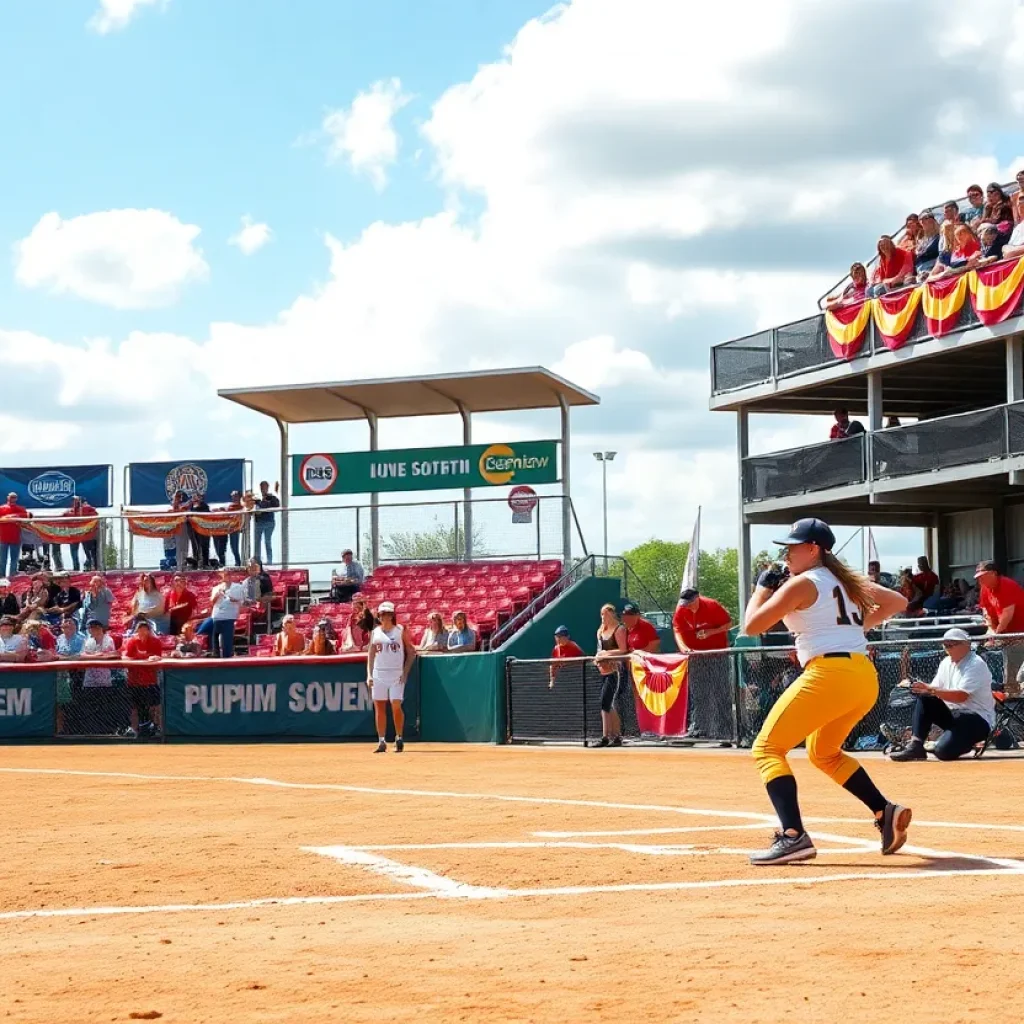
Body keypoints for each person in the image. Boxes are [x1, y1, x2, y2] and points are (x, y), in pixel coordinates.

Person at [742, 517, 911, 865]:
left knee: (767, 748)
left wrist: (762, 587)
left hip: (829, 673)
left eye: (793, 547)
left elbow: (751, 625)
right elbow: (896, 601)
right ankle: (884, 811)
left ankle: (793, 836)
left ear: (813, 548)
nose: (787, 554)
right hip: (862, 675)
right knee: (824, 752)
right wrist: (852, 628)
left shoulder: (802, 583)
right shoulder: (845, 581)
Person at [890, 628, 995, 762]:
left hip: (977, 719)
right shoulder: (945, 662)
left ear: (966, 645)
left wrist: (930, 689)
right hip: (954, 715)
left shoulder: (975, 664)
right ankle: (916, 745)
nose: (947, 648)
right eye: (945, 645)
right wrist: (919, 687)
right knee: (926, 698)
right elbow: (934, 689)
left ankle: (964, 744)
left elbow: (961, 696)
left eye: (951, 644)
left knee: (942, 752)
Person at [673, 587, 734, 741]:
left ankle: (724, 730)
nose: (688, 606)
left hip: (717, 655)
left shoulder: (712, 605)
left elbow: (728, 624)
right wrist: (684, 648)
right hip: (696, 657)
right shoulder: (681, 610)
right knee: (699, 693)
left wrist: (710, 633)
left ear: (698, 598)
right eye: (685, 603)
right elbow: (677, 630)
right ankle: (700, 728)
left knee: (721, 691)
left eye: (691, 603)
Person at [367, 601, 417, 753]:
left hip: (396, 673)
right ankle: (381, 740)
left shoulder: (400, 631)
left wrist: (405, 671)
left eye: (388, 614)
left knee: (396, 705)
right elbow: (371, 654)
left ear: (392, 615)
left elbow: (411, 652)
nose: (385, 617)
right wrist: (369, 674)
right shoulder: (375, 632)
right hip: (379, 673)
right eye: (382, 614)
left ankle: (399, 736)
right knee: (379, 707)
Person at [974, 560, 1024, 695]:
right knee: (1009, 672)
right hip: (1006, 635)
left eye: (983, 576)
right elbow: (987, 613)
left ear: (994, 574)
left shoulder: (1007, 585)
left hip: (1019, 634)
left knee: (1014, 673)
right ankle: (1011, 698)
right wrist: (991, 632)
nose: (980, 580)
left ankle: (1014, 702)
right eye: (978, 577)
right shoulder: (985, 589)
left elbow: (1007, 615)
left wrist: (996, 635)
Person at [593, 603, 628, 747]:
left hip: (615, 671)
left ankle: (615, 735)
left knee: (609, 702)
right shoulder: (600, 631)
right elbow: (599, 650)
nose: (603, 617)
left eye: (605, 614)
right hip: (604, 671)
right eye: (601, 614)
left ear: (612, 614)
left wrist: (606, 654)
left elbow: (623, 650)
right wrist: (598, 658)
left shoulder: (619, 629)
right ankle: (607, 735)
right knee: (604, 703)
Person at [122, 619, 163, 736]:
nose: (143, 631)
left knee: (154, 706)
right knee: (134, 707)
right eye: (140, 629)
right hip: (134, 681)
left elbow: (158, 657)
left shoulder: (155, 642)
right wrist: (139, 660)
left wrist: (152, 658)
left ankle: (157, 727)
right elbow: (126, 658)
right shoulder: (132, 642)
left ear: (149, 630)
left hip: (150, 680)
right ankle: (134, 728)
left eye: (145, 629)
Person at [195, 569, 244, 658]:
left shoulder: (238, 587)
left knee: (227, 639)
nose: (227, 576)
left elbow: (241, 601)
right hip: (217, 615)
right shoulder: (216, 588)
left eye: (228, 574)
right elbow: (212, 602)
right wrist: (217, 595)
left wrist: (233, 599)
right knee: (215, 637)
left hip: (229, 616)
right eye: (225, 574)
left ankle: (227, 656)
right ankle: (215, 654)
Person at [80, 618, 117, 730]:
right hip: (89, 680)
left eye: (93, 627)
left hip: (104, 679)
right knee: (89, 708)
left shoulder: (108, 640)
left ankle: (106, 730)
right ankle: (91, 730)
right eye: (90, 628)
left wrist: (92, 656)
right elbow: (82, 656)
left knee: (104, 708)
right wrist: (96, 656)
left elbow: (110, 655)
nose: (91, 630)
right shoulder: (88, 640)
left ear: (99, 628)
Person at [55, 617, 85, 734]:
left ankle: (76, 729)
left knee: (75, 702)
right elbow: (56, 654)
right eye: (65, 624)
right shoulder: (59, 638)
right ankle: (62, 729)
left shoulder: (81, 639)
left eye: (70, 623)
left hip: (76, 673)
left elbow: (80, 656)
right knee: (62, 703)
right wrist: (64, 657)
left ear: (75, 627)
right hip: (61, 673)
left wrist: (64, 658)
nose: (67, 625)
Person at [64, 495, 99, 571]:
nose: (74, 502)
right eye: (73, 501)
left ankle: (88, 565)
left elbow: (95, 516)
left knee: (87, 551)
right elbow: (63, 517)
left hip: (84, 534)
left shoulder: (87, 509)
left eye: (76, 500)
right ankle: (77, 567)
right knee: (75, 552)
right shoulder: (70, 511)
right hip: (74, 534)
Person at [0, 492, 28, 579]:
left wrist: (14, 516)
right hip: (2, 538)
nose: (13, 499)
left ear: (16, 499)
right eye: (11, 497)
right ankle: (1, 575)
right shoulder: (1, 508)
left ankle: (12, 575)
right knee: (2, 559)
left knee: (14, 559)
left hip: (15, 538)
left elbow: (28, 516)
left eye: (14, 497)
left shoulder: (20, 509)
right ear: (7, 497)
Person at [213, 490, 244, 568]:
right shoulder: (230, 507)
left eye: (236, 496)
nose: (234, 498)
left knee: (234, 548)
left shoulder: (243, 507)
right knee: (223, 548)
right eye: (233, 496)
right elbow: (227, 518)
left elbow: (244, 518)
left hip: (235, 530)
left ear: (240, 497)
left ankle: (238, 564)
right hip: (227, 530)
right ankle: (223, 564)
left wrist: (241, 526)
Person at [242, 557, 274, 631]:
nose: (250, 568)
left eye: (253, 566)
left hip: (259, 606)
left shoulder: (264, 578)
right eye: (249, 566)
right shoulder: (246, 581)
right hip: (248, 605)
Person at [549, 624, 585, 689]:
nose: (558, 639)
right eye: (557, 637)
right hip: (562, 680)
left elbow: (583, 660)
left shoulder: (574, 646)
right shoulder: (556, 649)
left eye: (560, 636)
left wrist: (570, 663)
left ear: (567, 637)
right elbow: (553, 666)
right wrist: (552, 681)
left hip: (576, 679)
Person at [253, 481, 280, 565]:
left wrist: (264, 504)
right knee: (257, 542)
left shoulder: (271, 497)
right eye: (261, 487)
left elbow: (276, 504)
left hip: (269, 522)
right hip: (259, 523)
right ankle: (257, 562)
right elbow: (253, 507)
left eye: (264, 487)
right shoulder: (257, 498)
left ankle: (269, 561)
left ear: (268, 487)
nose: (263, 489)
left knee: (267, 541)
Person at [187, 492, 212, 568]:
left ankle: (205, 563)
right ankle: (195, 563)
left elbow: (207, 516)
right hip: (193, 530)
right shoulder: (190, 507)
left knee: (204, 546)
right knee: (195, 546)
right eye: (193, 497)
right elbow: (187, 517)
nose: (195, 498)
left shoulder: (205, 506)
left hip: (203, 530)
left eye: (197, 497)